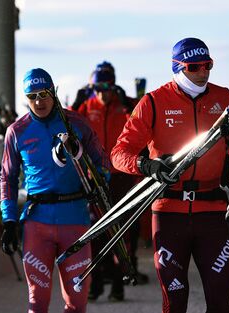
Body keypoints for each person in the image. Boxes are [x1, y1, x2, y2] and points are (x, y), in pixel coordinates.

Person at [110, 37, 229, 313]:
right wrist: (147, 166)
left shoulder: (225, 99)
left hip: (212, 211)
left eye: (208, 65)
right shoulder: (153, 102)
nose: (203, 72)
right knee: (175, 300)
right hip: (169, 212)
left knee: (221, 297)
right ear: (177, 67)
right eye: (194, 66)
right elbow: (119, 153)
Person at [0, 68, 110, 312]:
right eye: (32, 96)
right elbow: (7, 177)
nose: (39, 101)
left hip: (76, 220)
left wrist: (99, 181)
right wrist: (8, 220)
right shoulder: (17, 131)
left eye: (44, 94)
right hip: (37, 223)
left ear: (54, 92)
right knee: (37, 301)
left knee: (77, 302)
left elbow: (102, 161)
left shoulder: (77, 124)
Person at [76, 64, 148, 302]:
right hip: (94, 176)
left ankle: (118, 284)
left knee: (120, 233)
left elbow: (143, 119)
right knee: (95, 233)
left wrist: (129, 102)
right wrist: (77, 101)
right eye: (97, 88)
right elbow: (68, 124)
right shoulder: (88, 106)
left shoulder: (123, 105)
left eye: (106, 87)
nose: (102, 93)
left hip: (121, 176)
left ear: (113, 85)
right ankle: (96, 285)